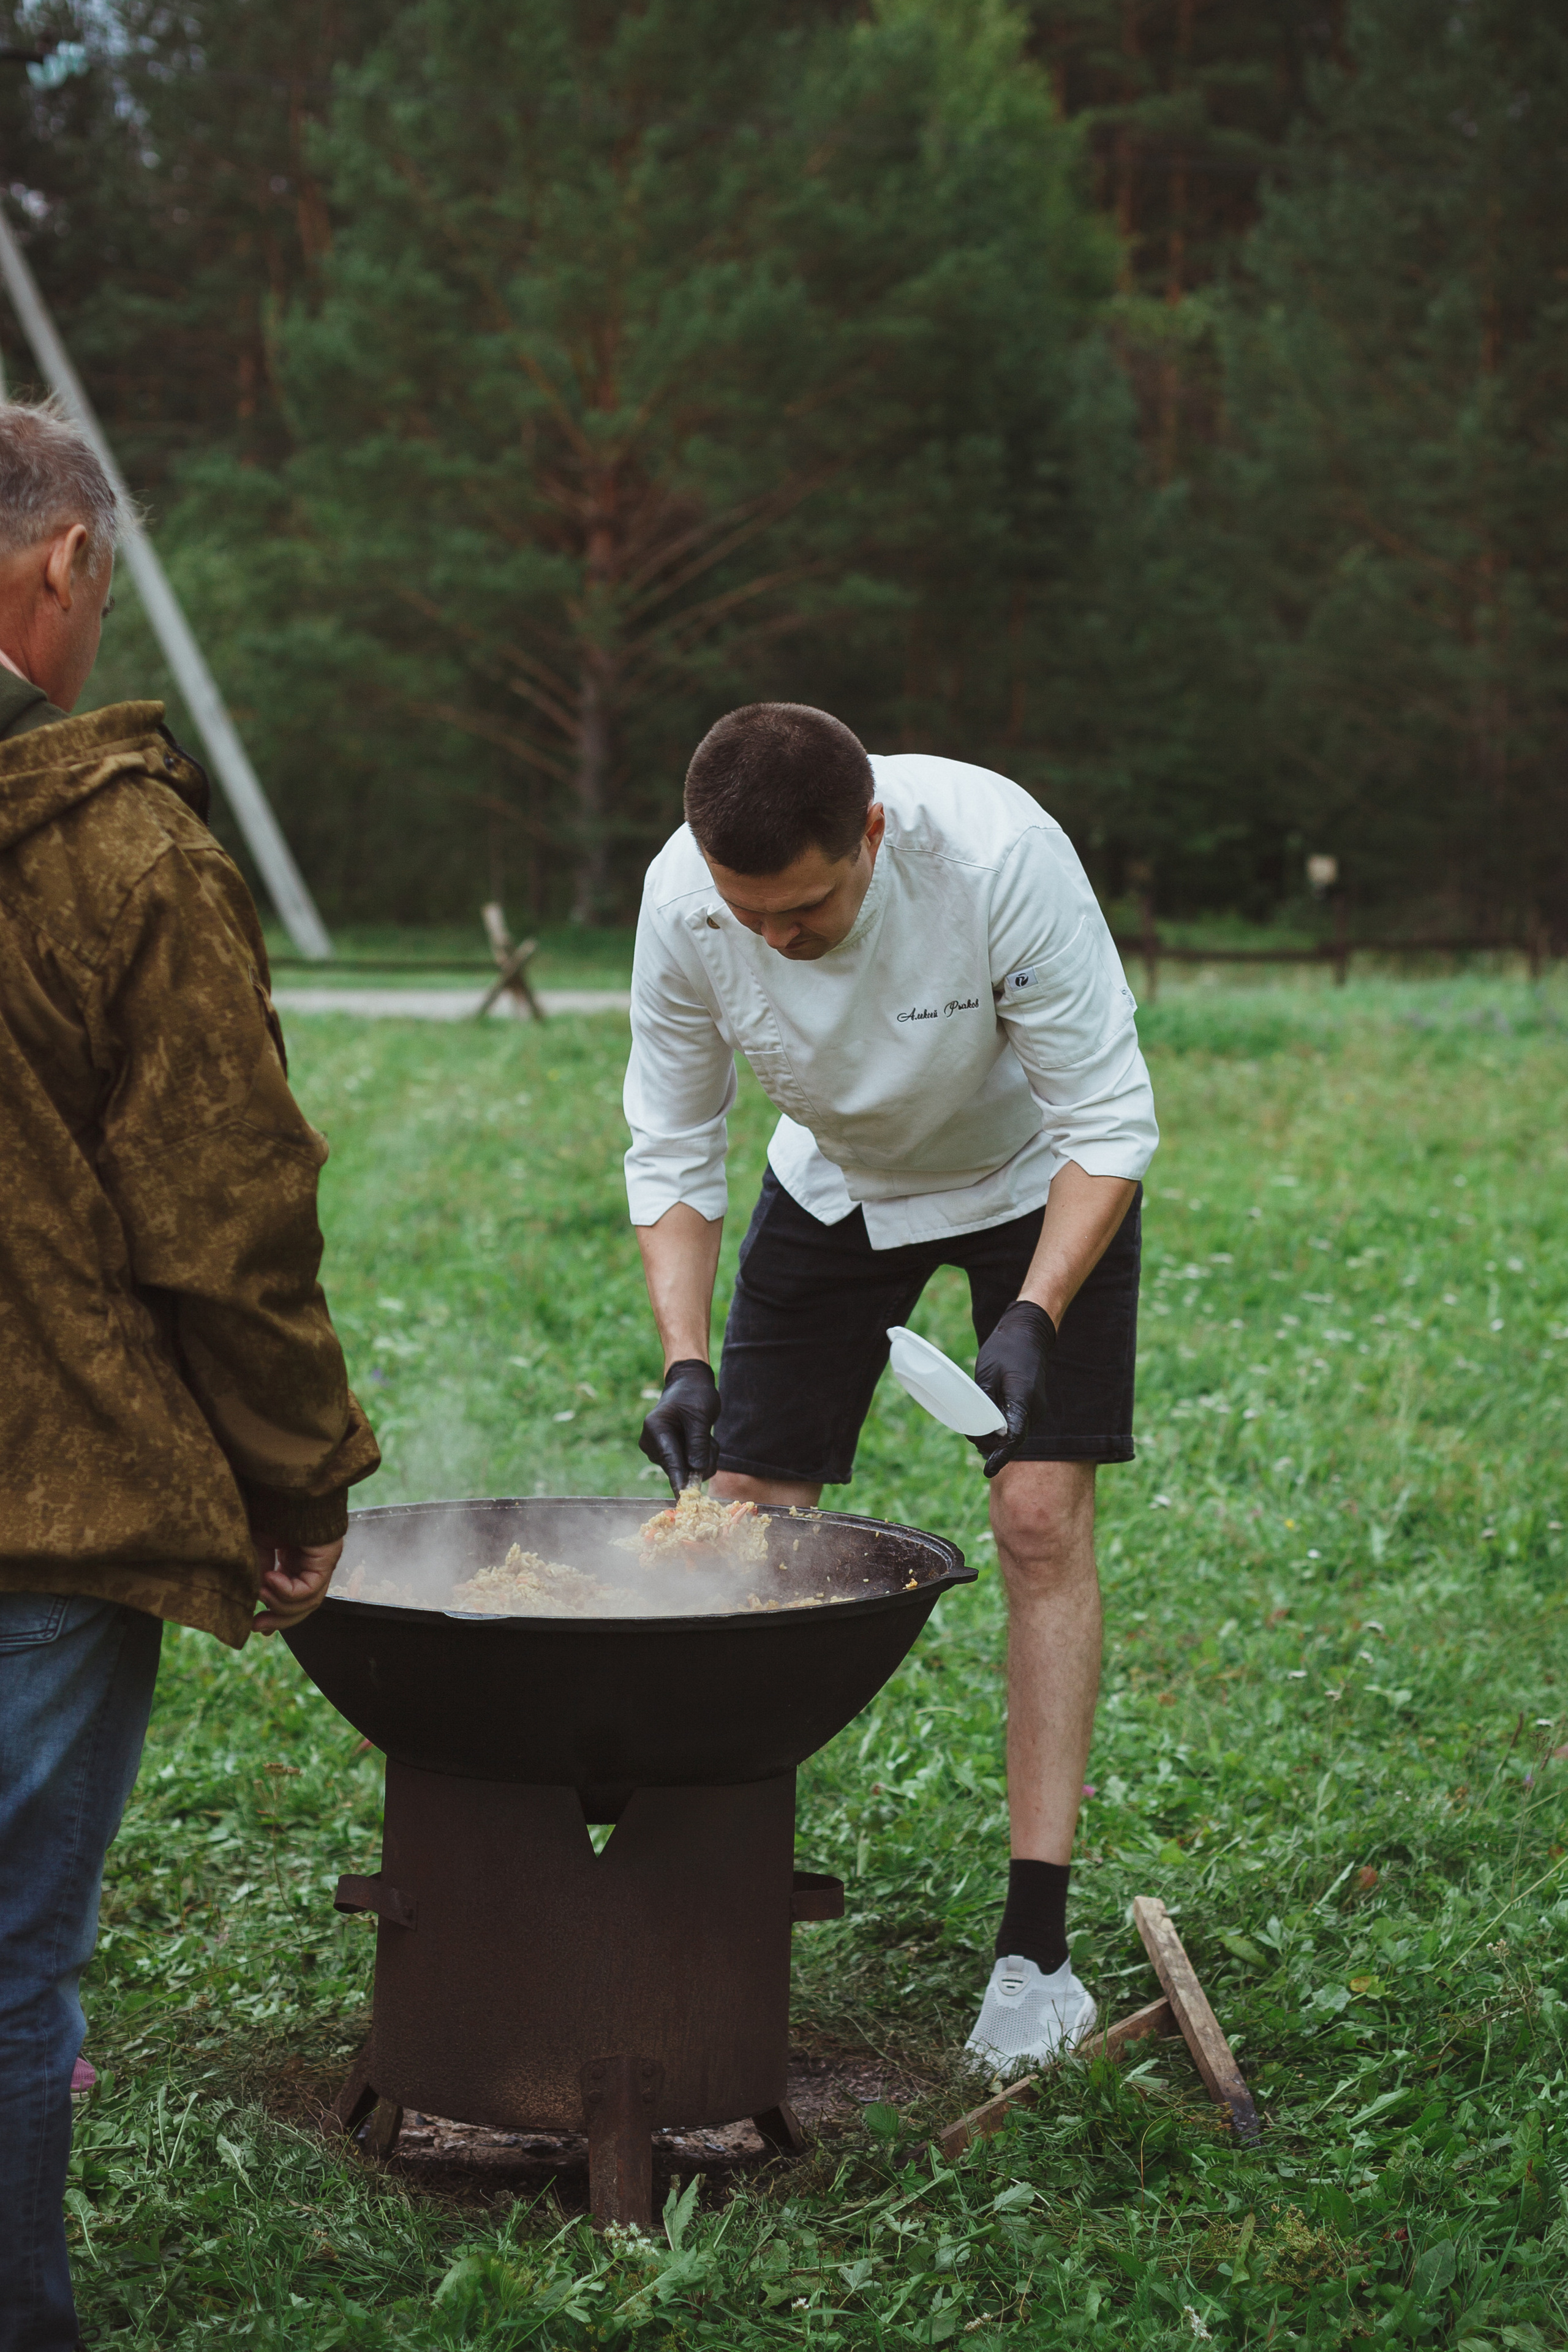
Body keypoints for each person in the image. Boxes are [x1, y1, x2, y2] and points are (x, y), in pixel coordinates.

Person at [0, 400, 379, 2352]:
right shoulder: (116, 854)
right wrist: (301, 1480)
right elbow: (224, 1226)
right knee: (1, 1972)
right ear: (66, 568)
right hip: (41, 1509)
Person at [625, 703, 1156, 2071]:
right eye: (751, 917)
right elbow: (675, 1142)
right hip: (834, 1179)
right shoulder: (685, 904)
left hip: (1034, 1176)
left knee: (1037, 1519)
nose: (777, 941)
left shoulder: (998, 858)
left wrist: (1036, 1312)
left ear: (869, 832)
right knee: (743, 1515)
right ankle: (696, 1884)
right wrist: (685, 1356)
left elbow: (1106, 1124)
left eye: (804, 909)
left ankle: (1034, 1953)